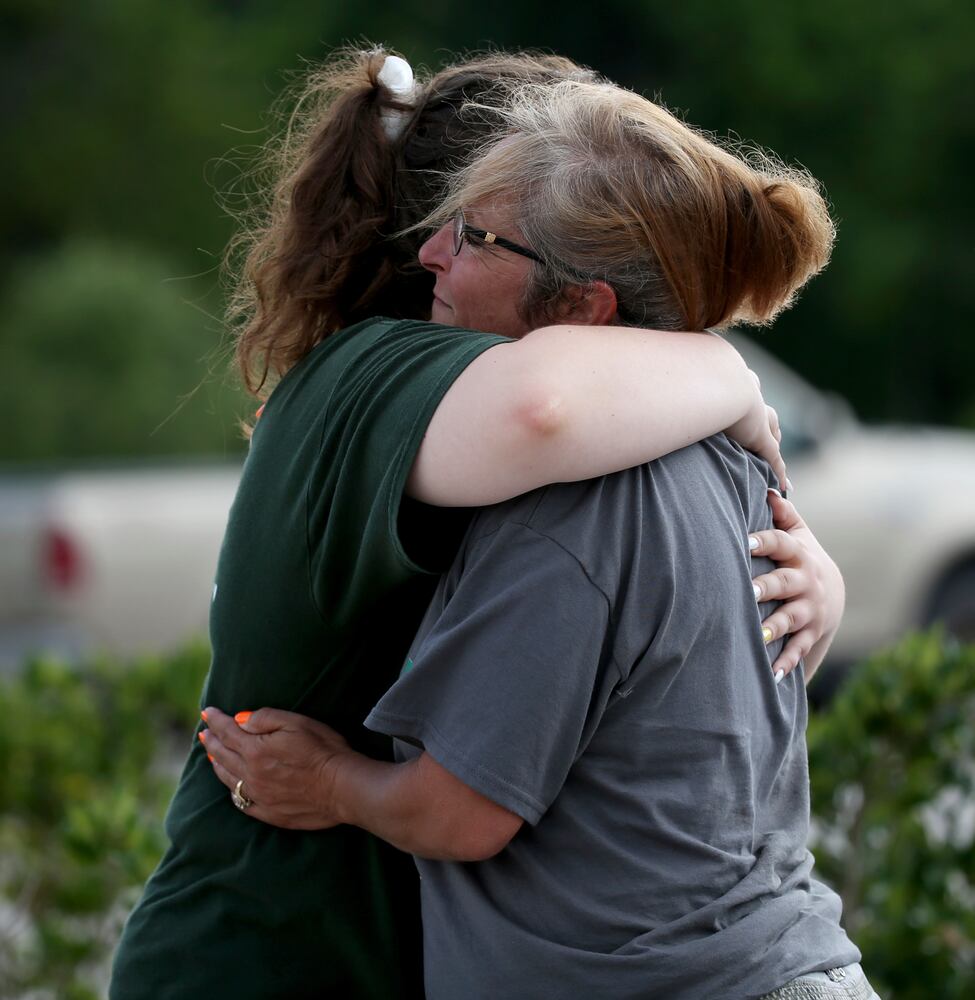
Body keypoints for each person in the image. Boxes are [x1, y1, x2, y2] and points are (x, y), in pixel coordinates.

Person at [110, 51, 838, 999]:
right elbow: (543, 406)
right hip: (270, 952)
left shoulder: (632, 445)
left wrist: (812, 573)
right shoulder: (370, 375)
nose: (439, 254)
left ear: (586, 303)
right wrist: (726, 370)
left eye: (479, 233)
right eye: (454, 224)